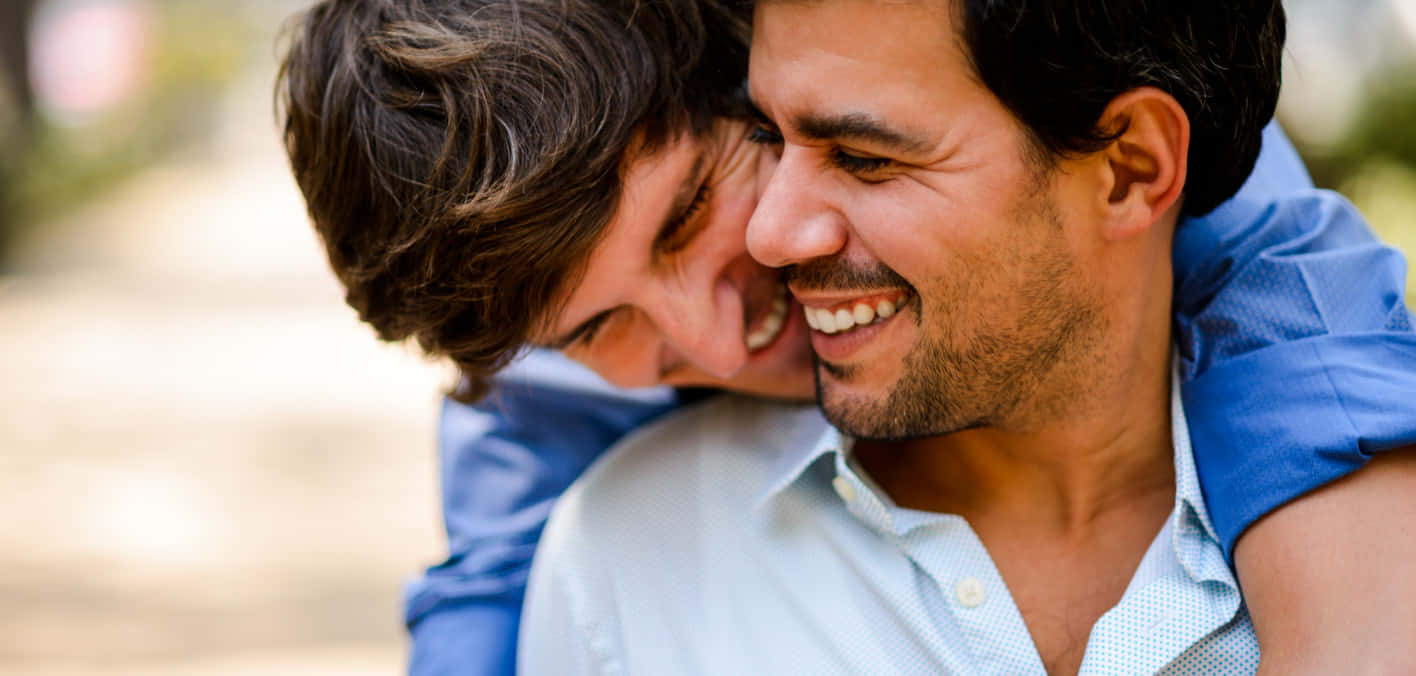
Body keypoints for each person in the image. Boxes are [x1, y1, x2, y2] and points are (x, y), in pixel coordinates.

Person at [274, 1, 1416, 674]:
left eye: (689, 213)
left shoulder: (1194, 192)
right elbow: (488, 601)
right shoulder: (554, 441)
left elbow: (1307, 318)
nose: (716, 339)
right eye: (595, 326)